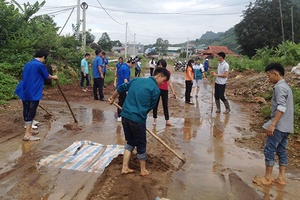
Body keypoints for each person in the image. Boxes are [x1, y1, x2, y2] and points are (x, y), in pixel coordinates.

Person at [108, 67, 170, 176]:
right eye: (163, 80)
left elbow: (121, 88)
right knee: (141, 144)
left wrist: (112, 98)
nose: (162, 83)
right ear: (158, 76)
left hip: (125, 116)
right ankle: (143, 170)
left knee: (130, 142)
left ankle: (125, 167)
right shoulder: (155, 90)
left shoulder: (136, 80)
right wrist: (140, 115)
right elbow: (150, 106)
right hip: (137, 118)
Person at [252, 63, 294, 186]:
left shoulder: (279, 88)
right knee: (281, 150)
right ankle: (281, 177)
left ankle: (267, 177)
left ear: (275, 73)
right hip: (287, 125)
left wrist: (273, 124)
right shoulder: (286, 87)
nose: (268, 78)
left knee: (269, 149)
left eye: (269, 75)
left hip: (279, 125)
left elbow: (281, 108)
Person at [15, 50, 58, 141]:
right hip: (33, 91)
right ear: (43, 57)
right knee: (32, 111)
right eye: (44, 59)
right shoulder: (40, 65)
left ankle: (29, 130)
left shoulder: (28, 64)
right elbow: (47, 76)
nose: (44, 61)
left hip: (24, 90)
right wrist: (54, 77)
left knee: (26, 110)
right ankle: (27, 135)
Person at [152, 59, 176, 126]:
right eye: (158, 64)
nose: (159, 65)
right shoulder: (157, 72)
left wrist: (173, 91)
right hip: (157, 89)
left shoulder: (167, 72)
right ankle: (154, 119)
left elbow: (169, 82)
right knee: (155, 104)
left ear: (163, 64)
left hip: (165, 90)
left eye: (160, 64)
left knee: (165, 105)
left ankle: (167, 120)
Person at [116, 58, 136, 122]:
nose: (132, 67)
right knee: (124, 102)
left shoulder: (121, 66)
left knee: (121, 101)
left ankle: (120, 115)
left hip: (119, 86)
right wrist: (127, 90)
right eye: (133, 65)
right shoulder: (126, 69)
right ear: (130, 63)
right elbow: (125, 80)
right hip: (124, 88)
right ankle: (121, 115)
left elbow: (118, 75)